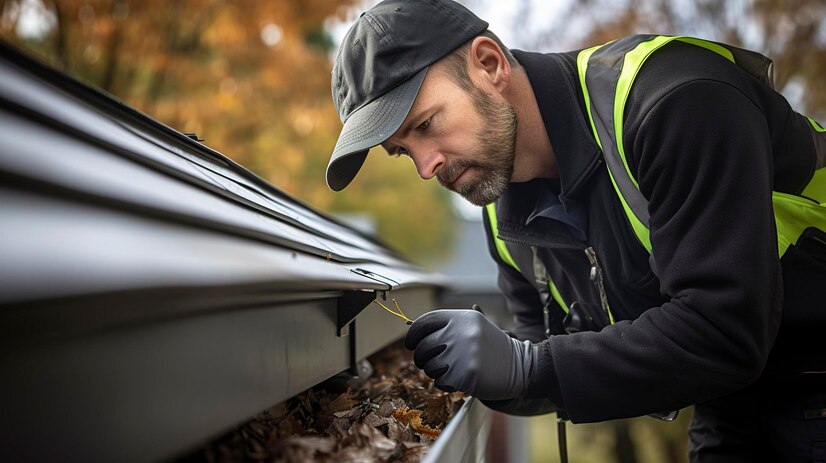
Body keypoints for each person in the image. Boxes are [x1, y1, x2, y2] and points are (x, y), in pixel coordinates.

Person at [325, 0, 826, 460]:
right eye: (402, 150)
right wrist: (473, 371)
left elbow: (724, 329)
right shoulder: (504, 216)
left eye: (427, 124)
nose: (425, 167)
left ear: (490, 64)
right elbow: (537, 350)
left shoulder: (673, 101)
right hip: (731, 400)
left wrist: (526, 366)